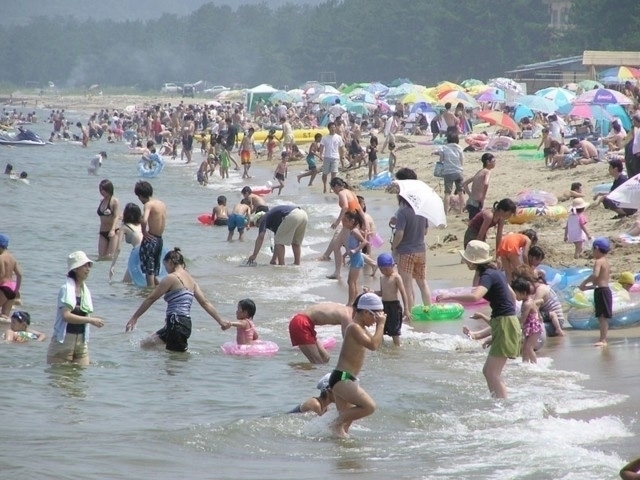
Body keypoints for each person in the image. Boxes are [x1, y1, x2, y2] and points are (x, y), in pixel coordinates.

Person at [437, 241, 521, 399]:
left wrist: (450, 296)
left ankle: (503, 406)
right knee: (489, 372)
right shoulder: (494, 273)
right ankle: (497, 402)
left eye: (467, 259)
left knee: (492, 372)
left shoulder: (488, 275)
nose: (464, 261)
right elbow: (513, 296)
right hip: (504, 321)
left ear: (474, 260)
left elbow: (476, 296)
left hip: (504, 322)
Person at [125, 248, 229, 351]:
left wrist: (135, 317)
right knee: (146, 344)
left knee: (175, 362)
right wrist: (220, 321)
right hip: (182, 323)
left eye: (165, 266)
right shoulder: (191, 280)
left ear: (170, 262)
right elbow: (205, 303)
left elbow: (151, 298)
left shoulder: (171, 278)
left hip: (176, 324)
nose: (166, 270)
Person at [329, 292, 386, 437]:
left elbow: (376, 342)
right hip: (342, 378)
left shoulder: (362, 329)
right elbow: (373, 345)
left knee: (343, 430)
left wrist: (379, 325)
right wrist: (381, 325)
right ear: (366, 312)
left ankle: (343, 457)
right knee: (369, 407)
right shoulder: (353, 328)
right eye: (375, 316)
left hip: (346, 378)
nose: (375, 321)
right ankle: (331, 423)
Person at [47, 251, 105, 365]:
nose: (88, 269)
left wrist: (90, 320)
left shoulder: (85, 291)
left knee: (81, 380)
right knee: (60, 380)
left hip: (81, 343)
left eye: (89, 265)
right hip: (63, 343)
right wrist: (91, 320)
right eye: (84, 265)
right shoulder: (65, 289)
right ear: (75, 269)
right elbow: (66, 316)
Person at [391, 191, 431, 311]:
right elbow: (425, 231)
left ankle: (410, 312)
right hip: (421, 250)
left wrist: (394, 246)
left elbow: (399, 234)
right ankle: (428, 310)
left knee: (407, 284)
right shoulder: (422, 212)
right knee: (422, 283)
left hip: (406, 251)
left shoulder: (403, 213)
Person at [321, 177, 365, 279]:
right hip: (352, 223)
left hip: (348, 225)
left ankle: (372, 263)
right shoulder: (350, 192)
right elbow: (359, 209)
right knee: (337, 247)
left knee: (350, 249)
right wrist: (364, 224)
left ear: (336, 186)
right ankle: (337, 272)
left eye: (332, 189)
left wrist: (337, 222)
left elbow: (345, 207)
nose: (333, 191)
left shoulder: (342, 193)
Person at [288, 302, 354, 364]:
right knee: (317, 362)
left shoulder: (347, 309)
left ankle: (299, 370)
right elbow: (348, 342)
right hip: (301, 323)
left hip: (305, 322)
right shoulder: (347, 315)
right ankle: (302, 374)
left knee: (325, 358)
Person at [368, 253, 409, 347]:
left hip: (394, 306)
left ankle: (397, 346)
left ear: (393, 266)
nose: (384, 271)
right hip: (383, 306)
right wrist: (372, 292)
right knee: (380, 327)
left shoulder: (396, 277)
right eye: (382, 270)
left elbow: (403, 293)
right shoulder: (382, 278)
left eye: (386, 269)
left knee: (394, 330)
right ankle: (381, 348)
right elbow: (382, 293)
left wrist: (406, 309)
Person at [578, 238, 612, 347]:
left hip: (601, 292)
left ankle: (603, 340)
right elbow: (600, 281)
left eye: (592, 249)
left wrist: (583, 282)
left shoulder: (598, 261)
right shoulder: (606, 261)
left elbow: (595, 276)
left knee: (602, 318)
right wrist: (587, 288)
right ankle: (603, 339)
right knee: (602, 317)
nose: (592, 252)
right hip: (604, 290)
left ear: (596, 248)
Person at [134, 181, 167, 287]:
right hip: (159, 240)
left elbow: (144, 220)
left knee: (149, 272)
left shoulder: (148, 205)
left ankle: (150, 294)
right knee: (154, 270)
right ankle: (160, 290)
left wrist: (143, 232)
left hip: (150, 239)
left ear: (140, 195)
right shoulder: (161, 204)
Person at [108, 203, 143, 283]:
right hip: (147, 252)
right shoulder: (141, 225)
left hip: (137, 255)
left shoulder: (124, 227)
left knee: (126, 282)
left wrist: (112, 265)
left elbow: (118, 248)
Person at [511, 277, 542, 364]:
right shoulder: (528, 301)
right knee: (525, 348)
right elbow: (537, 313)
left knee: (529, 348)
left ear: (524, 293)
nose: (515, 296)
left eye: (516, 293)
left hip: (534, 329)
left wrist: (512, 321)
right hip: (530, 328)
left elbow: (523, 319)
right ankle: (525, 364)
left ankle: (535, 365)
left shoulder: (527, 303)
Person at [435, 131, 465, 215]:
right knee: (460, 192)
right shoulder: (459, 148)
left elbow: (441, 159)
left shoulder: (444, 148)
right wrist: (460, 168)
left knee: (447, 193)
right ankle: (461, 211)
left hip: (448, 172)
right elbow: (461, 160)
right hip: (458, 172)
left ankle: (445, 212)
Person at [342, 211, 368, 306]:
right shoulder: (351, 231)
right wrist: (345, 254)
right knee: (352, 281)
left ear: (352, 221)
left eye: (345, 221)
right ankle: (354, 300)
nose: (343, 223)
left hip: (357, 259)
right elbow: (351, 245)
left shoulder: (354, 231)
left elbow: (364, 242)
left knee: (350, 281)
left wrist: (355, 250)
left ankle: (350, 302)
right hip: (354, 258)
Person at [462, 153, 496, 220]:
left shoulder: (479, 172)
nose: (495, 163)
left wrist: (470, 194)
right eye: (493, 161)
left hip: (470, 201)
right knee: (476, 224)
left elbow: (465, 184)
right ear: (488, 162)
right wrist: (482, 198)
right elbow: (486, 184)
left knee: (472, 222)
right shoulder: (487, 171)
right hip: (477, 202)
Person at [318, 122, 345, 193]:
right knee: (325, 173)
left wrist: (342, 156)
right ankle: (324, 186)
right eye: (332, 127)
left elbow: (341, 147)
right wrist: (320, 155)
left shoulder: (338, 137)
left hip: (335, 157)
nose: (333, 129)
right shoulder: (325, 138)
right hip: (327, 157)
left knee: (334, 173)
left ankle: (331, 188)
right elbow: (321, 147)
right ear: (329, 128)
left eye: (334, 127)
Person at [0, 233, 22, 319]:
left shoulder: (1, 257)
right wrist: (16, 290)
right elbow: (19, 275)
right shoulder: (12, 257)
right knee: (5, 317)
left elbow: (1, 274)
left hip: (3, 287)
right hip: (12, 288)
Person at [97, 179, 119, 260]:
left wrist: (113, 230)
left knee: (110, 257)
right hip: (102, 232)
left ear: (109, 189)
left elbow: (116, 216)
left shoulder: (114, 201)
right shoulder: (101, 201)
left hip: (113, 232)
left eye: (104, 190)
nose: (102, 192)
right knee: (101, 257)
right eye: (101, 190)